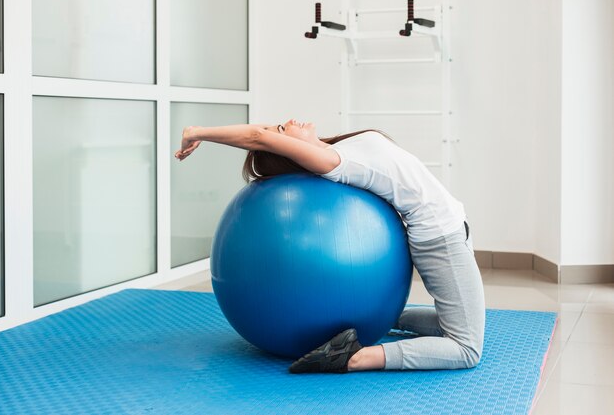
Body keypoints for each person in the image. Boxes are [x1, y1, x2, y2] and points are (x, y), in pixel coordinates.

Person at [175, 119, 485, 374]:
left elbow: (262, 132)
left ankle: (383, 321)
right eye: (283, 131)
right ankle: (355, 357)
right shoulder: (332, 162)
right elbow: (258, 136)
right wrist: (199, 132)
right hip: (440, 239)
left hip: (448, 230)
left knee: (456, 325)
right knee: (466, 348)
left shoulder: (336, 147)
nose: (288, 121)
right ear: (291, 151)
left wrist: (276, 135)